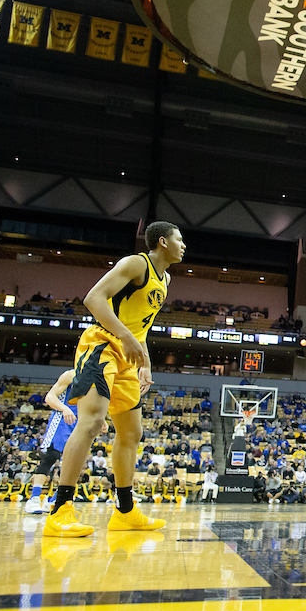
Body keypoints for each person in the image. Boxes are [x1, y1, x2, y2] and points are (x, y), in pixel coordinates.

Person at [44, 221, 184, 538]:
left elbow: (140, 327)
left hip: (128, 356)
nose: (183, 245)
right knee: (92, 421)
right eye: (179, 239)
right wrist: (125, 337)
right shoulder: (136, 264)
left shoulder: (165, 279)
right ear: (163, 242)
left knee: (131, 433)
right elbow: (93, 298)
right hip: (101, 345)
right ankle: (60, 511)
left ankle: (124, 511)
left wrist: (145, 362)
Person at [26, 369, 107, 515]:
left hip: (81, 422)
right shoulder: (71, 374)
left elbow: (92, 404)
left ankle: (55, 499)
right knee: (50, 457)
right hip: (62, 419)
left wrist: (101, 419)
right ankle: (34, 498)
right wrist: (64, 408)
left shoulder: (97, 377)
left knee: (75, 463)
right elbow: (50, 397)